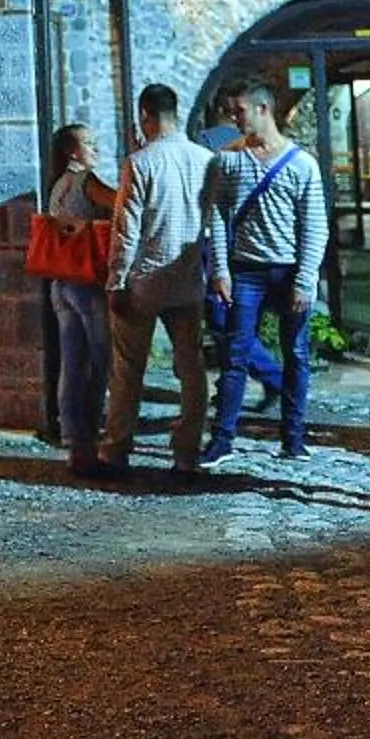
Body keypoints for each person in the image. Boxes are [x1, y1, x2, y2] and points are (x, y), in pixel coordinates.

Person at [198, 81, 329, 464]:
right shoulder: (228, 161)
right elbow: (218, 218)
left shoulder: (301, 164)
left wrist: (305, 280)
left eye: (239, 111)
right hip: (245, 271)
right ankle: (222, 439)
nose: (234, 118)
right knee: (235, 355)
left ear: (263, 110)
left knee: (296, 355)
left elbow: (314, 225)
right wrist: (220, 270)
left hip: (288, 270)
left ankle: (293, 438)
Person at [103, 83, 215, 481]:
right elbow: (214, 224)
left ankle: (116, 450)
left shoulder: (140, 162)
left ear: (145, 116)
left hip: (145, 280)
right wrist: (218, 272)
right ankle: (186, 453)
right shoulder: (205, 160)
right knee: (191, 368)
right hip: (186, 281)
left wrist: (115, 280)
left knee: (128, 368)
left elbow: (126, 228)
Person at [195, 87, 286, 412]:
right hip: (242, 249)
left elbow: (212, 203)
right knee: (231, 323)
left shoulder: (214, 145)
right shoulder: (248, 147)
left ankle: (274, 378)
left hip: (225, 248)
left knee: (226, 323)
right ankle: (239, 386)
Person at [41, 123, 119, 477]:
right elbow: (121, 201)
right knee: (102, 360)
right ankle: (95, 439)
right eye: (89, 143)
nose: (96, 148)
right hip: (87, 282)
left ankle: (74, 442)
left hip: (61, 281)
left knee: (72, 364)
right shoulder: (85, 180)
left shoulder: (58, 186)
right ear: (73, 152)